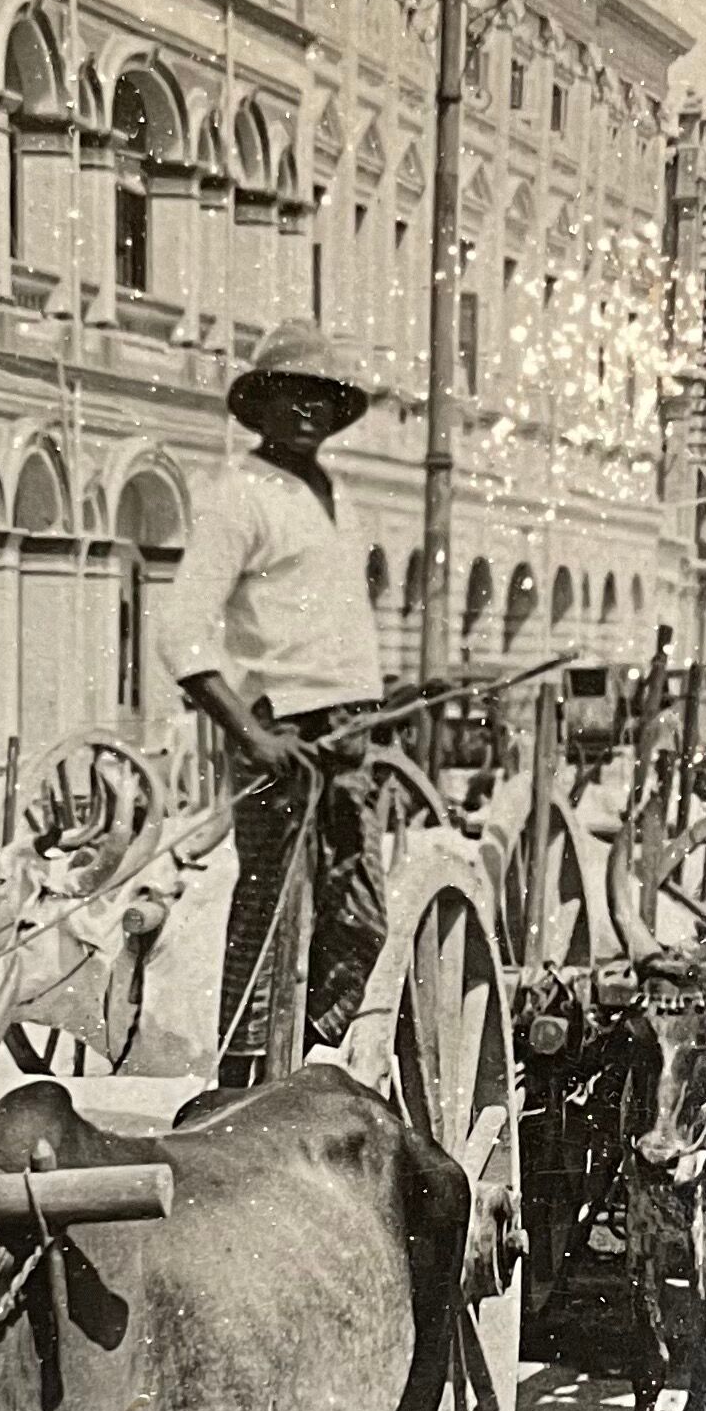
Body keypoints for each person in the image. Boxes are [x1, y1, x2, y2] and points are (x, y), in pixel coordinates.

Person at [161, 321, 390, 1089]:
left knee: (359, 915)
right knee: (268, 914)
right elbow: (181, 632)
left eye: (322, 398)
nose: (307, 410)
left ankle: (304, 1066)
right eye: (291, 394)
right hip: (280, 730)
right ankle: (242, 1083)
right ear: (261, 406)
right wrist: (251, 735)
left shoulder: (337, 496)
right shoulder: (239, 496)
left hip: (347, 730)